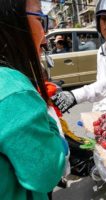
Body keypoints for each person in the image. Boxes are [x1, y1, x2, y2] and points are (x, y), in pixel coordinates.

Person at [0, 0, 67, 199]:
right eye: (39, 18)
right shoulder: (14, 92)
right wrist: (51, 122)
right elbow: (47, 173)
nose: (45, 36)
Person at [52, 0, 106, 113]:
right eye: (104, 19)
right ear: (99, 23)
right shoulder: (101, 50)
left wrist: (75, 96)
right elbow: (100, 82)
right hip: (105, 109)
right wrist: (95, 111)